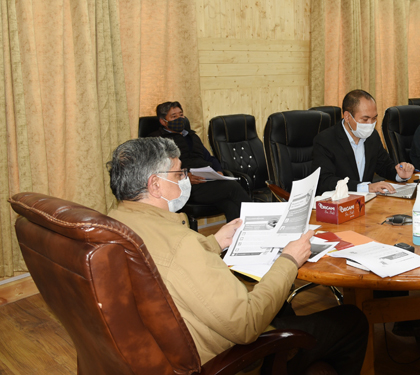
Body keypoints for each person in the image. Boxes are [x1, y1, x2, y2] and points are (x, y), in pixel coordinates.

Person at [106, 138, 368, 375]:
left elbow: (167, 264)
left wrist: (214, 242)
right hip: (225, 359)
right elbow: (247, 324)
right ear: (154, 184)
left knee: (283, 308)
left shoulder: (114, 223)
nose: (185, 179)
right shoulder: (183, 245)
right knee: (352, 320)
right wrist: (288, 260)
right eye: (178, 173)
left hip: (166, 347)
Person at [147, 101, 251, 222]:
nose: (179, 119)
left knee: (230, 205)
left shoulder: (192, 136)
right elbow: (159, 169)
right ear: (163, 121)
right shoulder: (158, 141)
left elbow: (209, 158)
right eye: (174, 116)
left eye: (181, 115)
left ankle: (237, 238)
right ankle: (259, 219)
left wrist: (218, 172)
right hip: (185, 186)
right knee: (233, 187)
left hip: (207, 181)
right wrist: (183, 177)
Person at [312, 89, 415, 195]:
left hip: (366, 201)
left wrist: (399, 175)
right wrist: (365, 187)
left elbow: (384, 165)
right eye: (365, 119)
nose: (370, 124)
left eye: (374, 118)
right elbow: (325, 181)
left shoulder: (372, 136)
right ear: (347, 116)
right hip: (337, 202)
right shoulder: (325, 140)